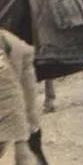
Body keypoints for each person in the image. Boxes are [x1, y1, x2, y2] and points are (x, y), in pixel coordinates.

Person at [0, 29, 45, 165]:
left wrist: (21, 141)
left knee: (24, 144)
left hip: (16, 57)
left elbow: (11, 97)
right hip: (13, 52)